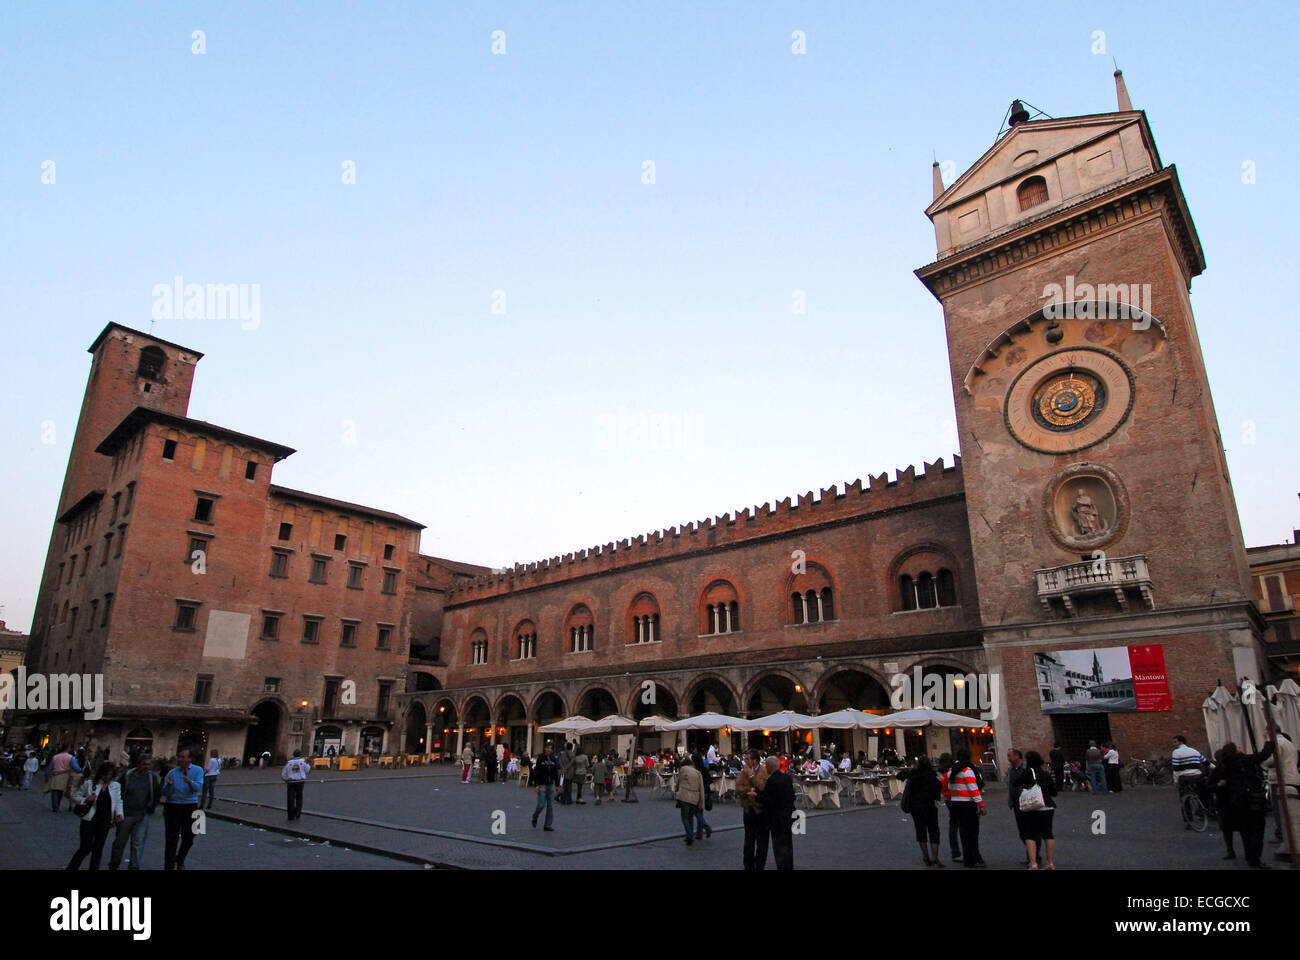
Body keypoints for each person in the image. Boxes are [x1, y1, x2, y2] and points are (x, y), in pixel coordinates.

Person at [1213, 740, 1275, 868]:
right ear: (1235, 750)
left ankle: (1250, 857)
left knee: (1246, 833)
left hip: (1237, 804)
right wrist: (1269, 742)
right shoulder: (1244, 760)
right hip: (1251, 801)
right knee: (1257, 831)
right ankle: (1255, 858)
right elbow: (1263, 755)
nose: (1241, 748)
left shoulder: (1225, 765)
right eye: (1238, 747)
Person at [66, 762, 123, 870]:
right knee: (85, 847)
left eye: (110, 775)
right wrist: (85, 800)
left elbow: (118, 801)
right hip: (90, 819)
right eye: (105, 774)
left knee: (98, 848)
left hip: (105, 820)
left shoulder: (116, 786)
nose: (107, 777)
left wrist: (119, 813)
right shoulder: (90, 784)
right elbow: (75, 795)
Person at [109, 752, 160, 870]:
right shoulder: (127, 776)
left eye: (148, 764)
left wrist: (150, 808)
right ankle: (114, 864)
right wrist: (117, 811)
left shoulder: (152, 778)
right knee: (119, 842)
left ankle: (134, 866)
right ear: (137, 764)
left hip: (142, 814)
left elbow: (156, 794)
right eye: (144, 764)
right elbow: (118, 792)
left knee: (137, 844)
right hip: (126, 814)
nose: (147, 767)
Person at [161, 748, 203, 870]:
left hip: (191, 805)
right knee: (171, 838)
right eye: (179, 757)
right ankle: (168, 866)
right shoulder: (172, 772)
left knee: (190, 837)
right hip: (173, 806)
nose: (180, 759)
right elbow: (164, 793)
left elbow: (197, 787)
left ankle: (180, 859)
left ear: (190, 759)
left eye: (183, 757)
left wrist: (189, 782)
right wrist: (168, 785)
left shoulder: (198, 770)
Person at [944, 748, 986, 868]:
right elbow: (973, 789)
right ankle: (972, 858)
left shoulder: (952, 770)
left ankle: (969, 859)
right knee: (972, 833)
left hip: (955, 803)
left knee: (963, 833)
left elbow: (950, 787)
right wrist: (981, 805)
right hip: (967, 804)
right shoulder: (967, 770)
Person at [899, 755, 944, 867]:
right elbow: (937, 791)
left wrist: (910, 771)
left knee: (920, 831)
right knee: (934, 831)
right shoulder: (932, 775)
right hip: (929, 806)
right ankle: (935, 857)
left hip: (916, 807)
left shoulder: (913, 774)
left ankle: (926, 856)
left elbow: (899, 775)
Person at [1018, 751, 1057, 870]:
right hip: (1048, 806)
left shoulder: (1027, 773)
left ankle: (1033, 863)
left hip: (1033, 807)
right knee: (1048, 834)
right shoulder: (1045, 773)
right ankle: (1050, 862)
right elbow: (1054, 792)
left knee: (1030, 835)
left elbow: (1016, 783)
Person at [1262, 730, 1298, 850]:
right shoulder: (1288, 742)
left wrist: (1263, 761)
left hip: (1280, 779)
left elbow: (1271, 760)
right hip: (1292, 776)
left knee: (1279, 810)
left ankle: (1283, 835)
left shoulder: (1276, 743)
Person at [758, 756, 795, 869]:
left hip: (776, 818)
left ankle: (783, 866)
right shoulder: (787, 778)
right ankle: (789, 866)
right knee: (788, 844)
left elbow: (768, 799)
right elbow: (792, 796)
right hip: (788, 817)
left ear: (769, 766)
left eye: (766, 765)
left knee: (779, 846)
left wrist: (757, 796)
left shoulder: (772, 780)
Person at [737, 749, 770, 870]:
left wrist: (751, 777)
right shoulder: (743, 772)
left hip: (761, 810)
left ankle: (760, 865)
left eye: (747, 759)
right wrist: (749, 791)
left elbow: (763, 787)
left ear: (754, 761)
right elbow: (739, 787)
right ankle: (748, 865)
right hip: (748, 809)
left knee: (762, 840)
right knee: (749, 839)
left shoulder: (764, 771)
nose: (745, 761)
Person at [1006, 748, 1038, 866]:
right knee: (1022, 831)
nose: (1008, 759)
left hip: (1027, 802)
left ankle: (1033, 856)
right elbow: (1010, 786)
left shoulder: (1026, 769)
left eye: (1010, 756)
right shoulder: (1011, 770)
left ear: (1017, 756)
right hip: (1016, 804)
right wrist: (1010, 801)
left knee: (1030, 830)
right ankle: (1031, 855)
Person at [673, 756, 706, 846]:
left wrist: (676, 793)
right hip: (695, 797)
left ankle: (690, 835)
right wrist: (701, 801)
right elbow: (701, 788)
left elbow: (678, 782)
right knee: (691, 816)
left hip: (685, 796)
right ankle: (690, 835)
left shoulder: (683, 770)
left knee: (685, 817)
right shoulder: (697, 772)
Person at [937, 753, 962, 863]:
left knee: (953, 825)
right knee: (961, 825)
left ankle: (955, 852)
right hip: (956, 798)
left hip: (947, 799)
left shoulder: (941, 774)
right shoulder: (951, 773)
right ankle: (958, 852)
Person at [1212, 748, 1235, 860]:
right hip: (1235, 802)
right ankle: (1251, 855)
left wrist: (1218, 786)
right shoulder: (1234, 768)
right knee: (1244, 830)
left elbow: (1209, 786)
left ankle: (1230, 850)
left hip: (1223, 803)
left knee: (1227, 829)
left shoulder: (1217, 771)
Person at [530, 742, 559, 831]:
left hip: (550, 785)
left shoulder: (553, 759)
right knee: (541, 805)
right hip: (542, 785)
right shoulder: (541, 758)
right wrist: (537, 785)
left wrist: (557, 785)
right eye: (548, 748)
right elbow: (537, 772)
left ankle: (547, 825)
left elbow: (555, 773)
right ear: (545, 748)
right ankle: (535, 816)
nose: (549, 750)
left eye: (550, 748)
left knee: (550, 806)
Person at [46, 746, 78, 812]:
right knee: (60, 791)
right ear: (68, 749)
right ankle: (57, 805)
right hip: (64, 776)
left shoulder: (55, 757)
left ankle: (55, 806)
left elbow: (50, 767)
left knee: (54, 791)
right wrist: (80, 770)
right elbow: (76, 767)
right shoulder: (70, 757)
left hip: (55, 775)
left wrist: (48, 775)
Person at [690, 750, 714, 839]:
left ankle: (707, 827)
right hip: (706, 792)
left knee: (696, 812)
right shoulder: (705, 769)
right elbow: (710, 781)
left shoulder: (695, 771)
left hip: (698, 793)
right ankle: (699, 833)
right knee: (700, 812)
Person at [282, 749, 310, 821]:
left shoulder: (288, 763)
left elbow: (284, 774)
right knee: (299, 797)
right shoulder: (303, 761)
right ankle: (298, 813)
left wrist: (285, 779)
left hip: (291, 782)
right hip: (300, 781)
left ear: (293, 755)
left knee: (290, 798)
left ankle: (291, 815)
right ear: (300, 754)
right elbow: (307, 770)